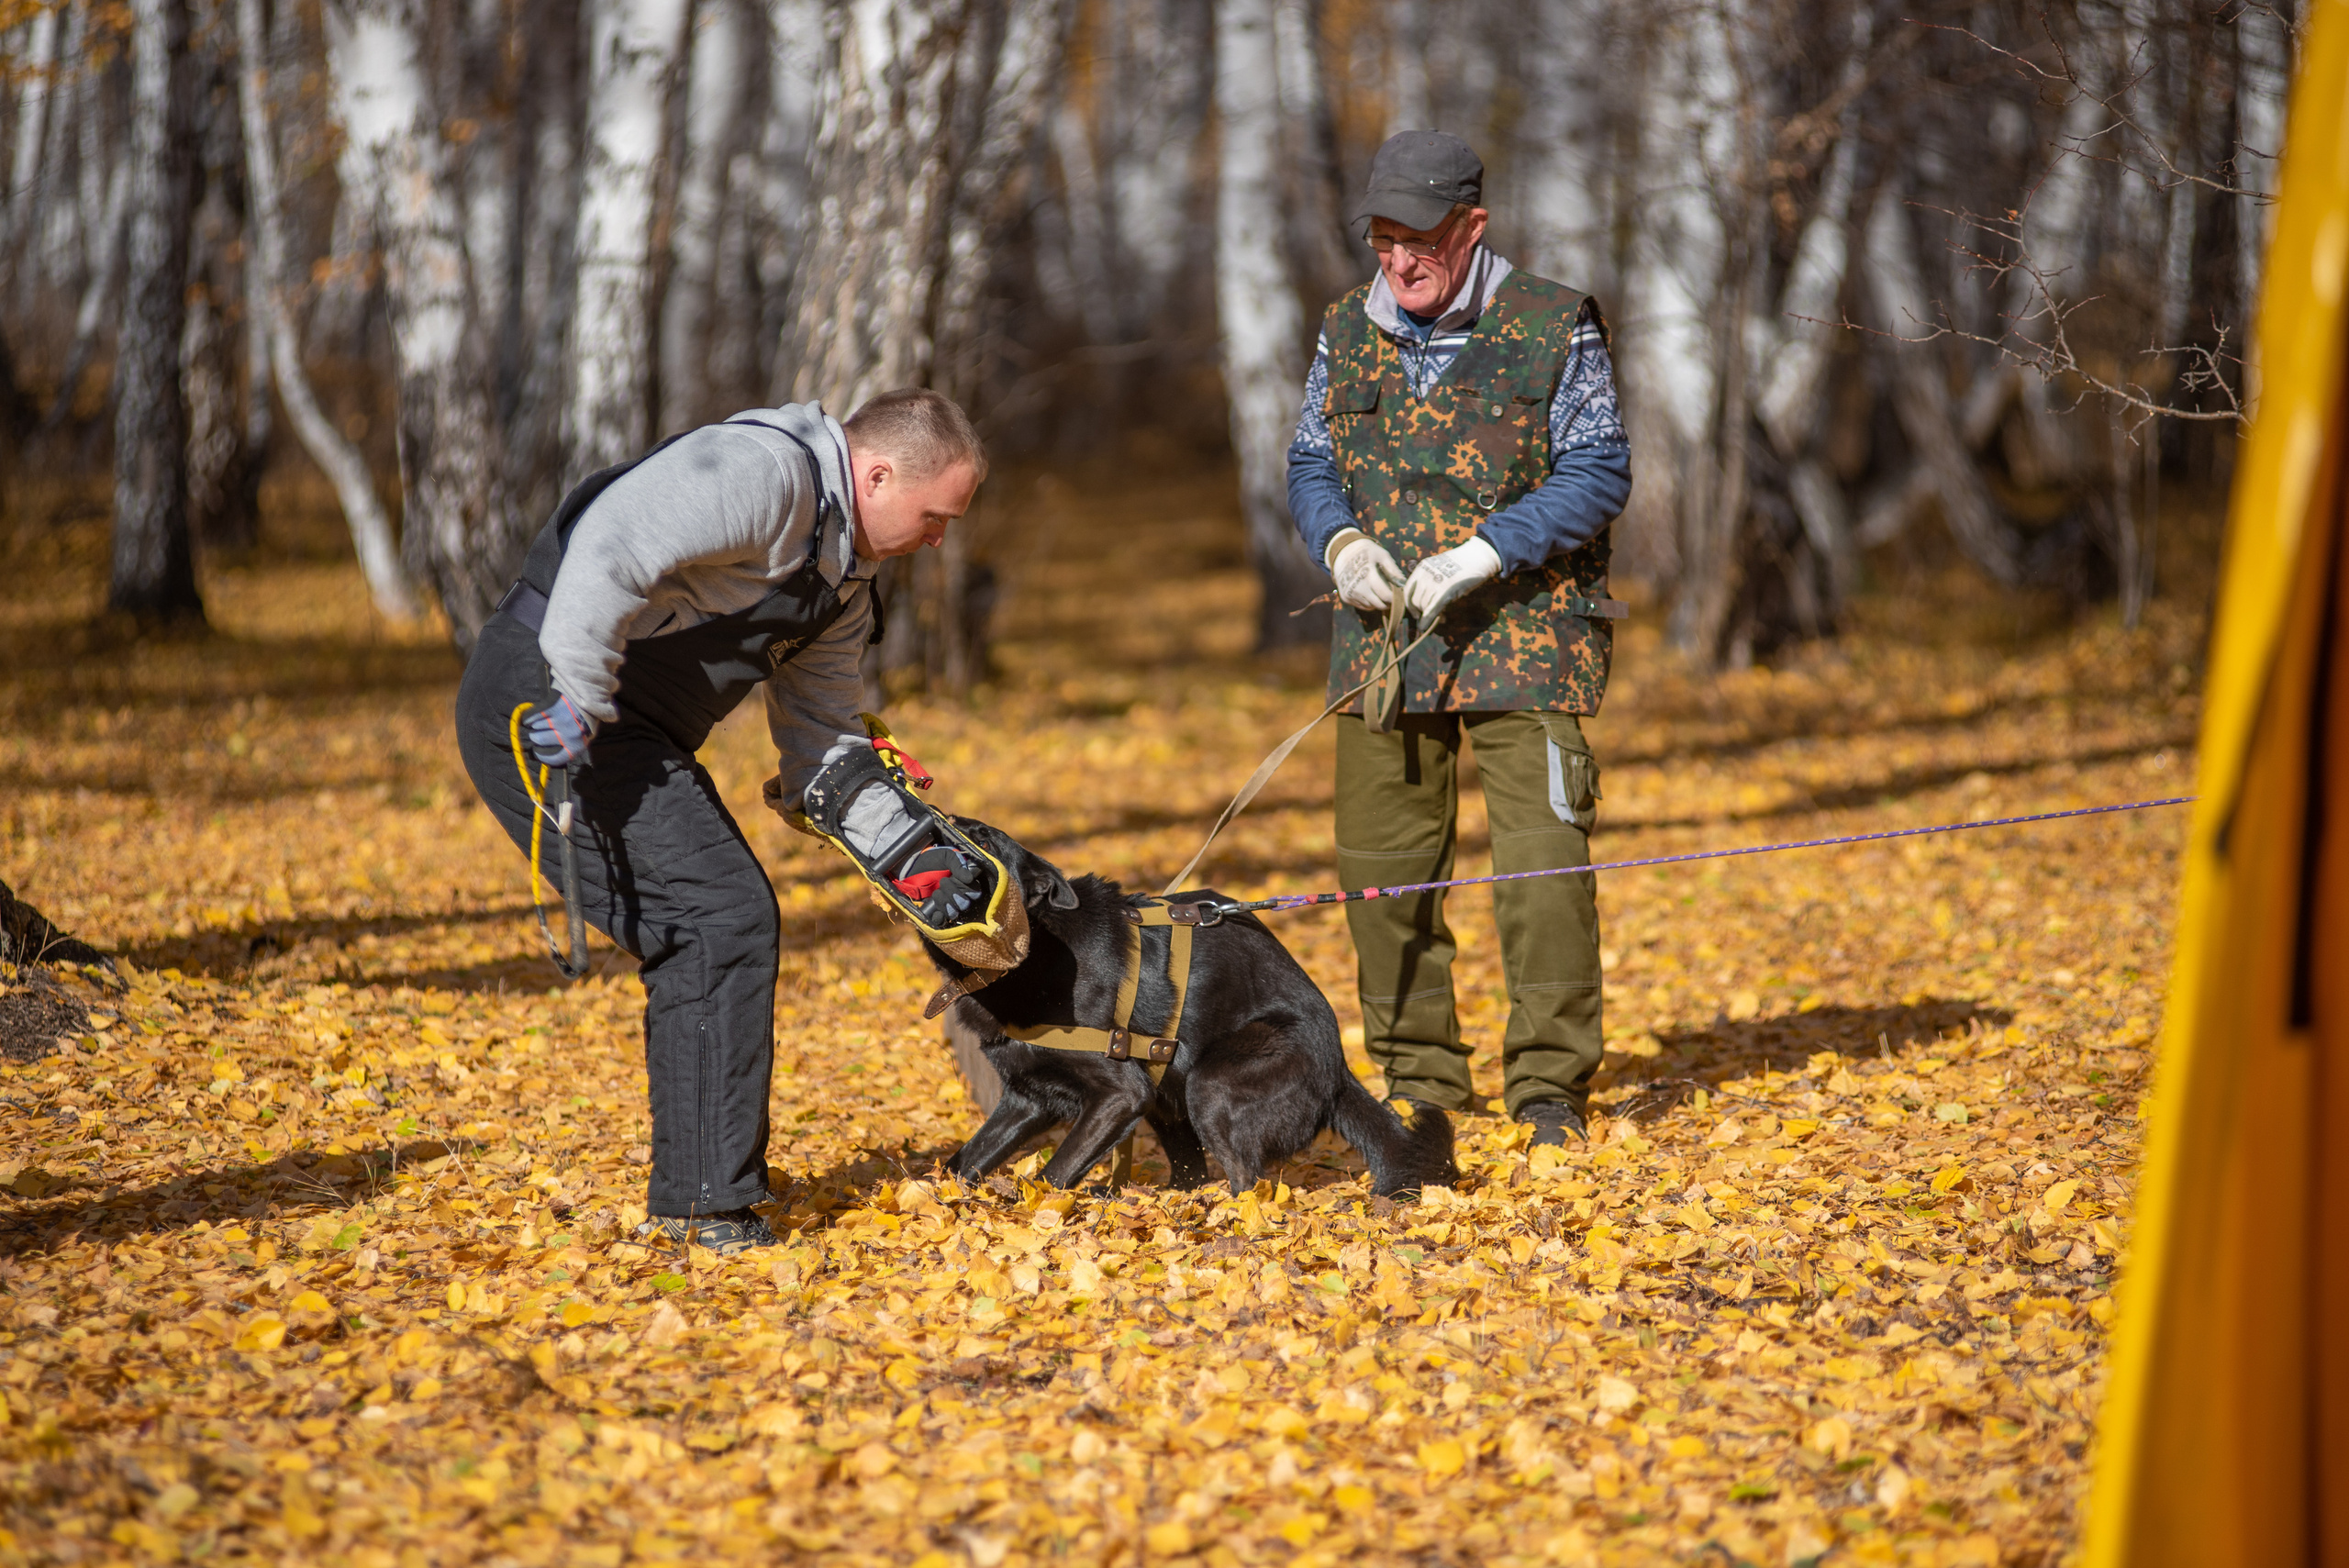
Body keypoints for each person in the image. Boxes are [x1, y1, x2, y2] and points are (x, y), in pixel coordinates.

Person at [455, 389, 985, 1251]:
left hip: (628, 728)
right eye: (935, 516)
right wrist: (581, 699)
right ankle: (703, 1205)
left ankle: (706, 1192)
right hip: (544, 697)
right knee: (716, 915)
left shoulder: (843, 589)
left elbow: (824, 750)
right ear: (880, 474)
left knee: (719, 915)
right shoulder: (765, 474)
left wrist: (918, 860)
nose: (939, 539)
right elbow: (613, 538)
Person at [1286, 130, 1632, 1148]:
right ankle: (1419, 1078)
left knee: (1541, 870)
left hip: (1530, 635)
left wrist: (1486, 553)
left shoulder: (1554, 324)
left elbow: (1599, 470)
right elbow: (1311, 461)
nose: (1399, 260)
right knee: (1382, 872)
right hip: (1385, 642)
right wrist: (1340, 540)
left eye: (1420, 237)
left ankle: (1548, 1090)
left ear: (1472, 226)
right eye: (1383, 238)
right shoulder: (1346, 327)